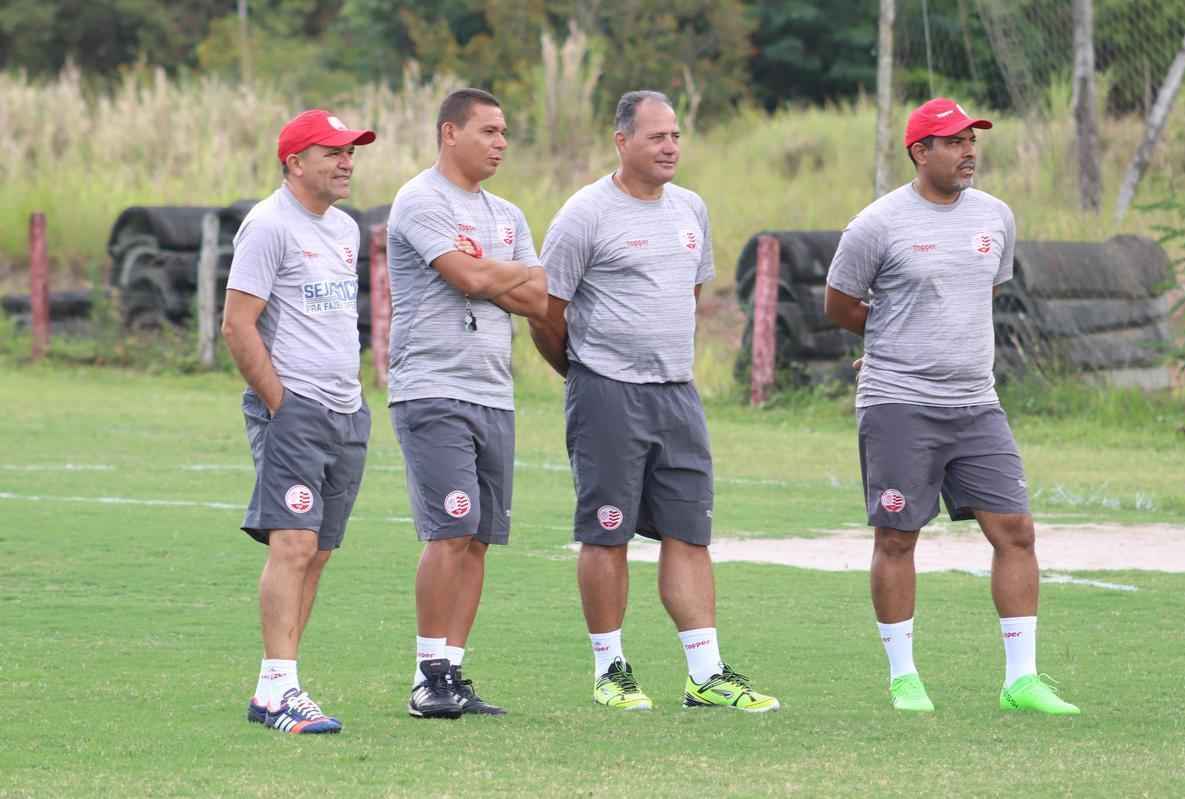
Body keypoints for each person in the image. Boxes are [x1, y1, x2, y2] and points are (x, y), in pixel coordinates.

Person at [824, 97, 1080, 715]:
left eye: (972, 140)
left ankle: (1021, 681)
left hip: (976, 403)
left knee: (1016, 531)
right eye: (954, 141)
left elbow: (980, 291)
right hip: (899, 403)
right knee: (897, 536)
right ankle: (904, 677)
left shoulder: (995, 216)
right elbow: (841, 306)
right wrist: (890, 347)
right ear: (920, 152)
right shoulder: (877, 224)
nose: (969, 152)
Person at [530, 90, 778, 713]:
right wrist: (585, 374)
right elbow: (546, 313)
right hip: (606, 393)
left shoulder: (691, 208)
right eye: (655, 137)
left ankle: (706, 674)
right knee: (607, 533)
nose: (669, 147)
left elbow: (688, 296)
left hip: (677, 393)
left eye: (675, 136)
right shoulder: (584, 214)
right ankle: (610, 669)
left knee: (689, 533)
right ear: (622, 141)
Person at [387, 88, 547, 720]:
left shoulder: (508, 214)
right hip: (432, 387)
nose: (501, 142)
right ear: (449, 133)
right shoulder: (419, 200)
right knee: (450, 527)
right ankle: (426, 674)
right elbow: (472, 280)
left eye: (505, 132)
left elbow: (539, 299)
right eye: (488, 130)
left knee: (479, 538)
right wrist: (501, 274)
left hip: (494, 391)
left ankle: (452, 672)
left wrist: (495, 271)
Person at [222, 109, 376, 734]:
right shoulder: (267, 225)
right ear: (294, 162)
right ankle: (284, 691)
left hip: (346, 410)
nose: (346, 162)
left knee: (318, 552)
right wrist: (282, 403)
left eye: (351, 152)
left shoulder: (344, 228)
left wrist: (349, 400)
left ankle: (271, 691)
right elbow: (237, 324)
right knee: (293, 544)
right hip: (295, 409)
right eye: (332, 151)